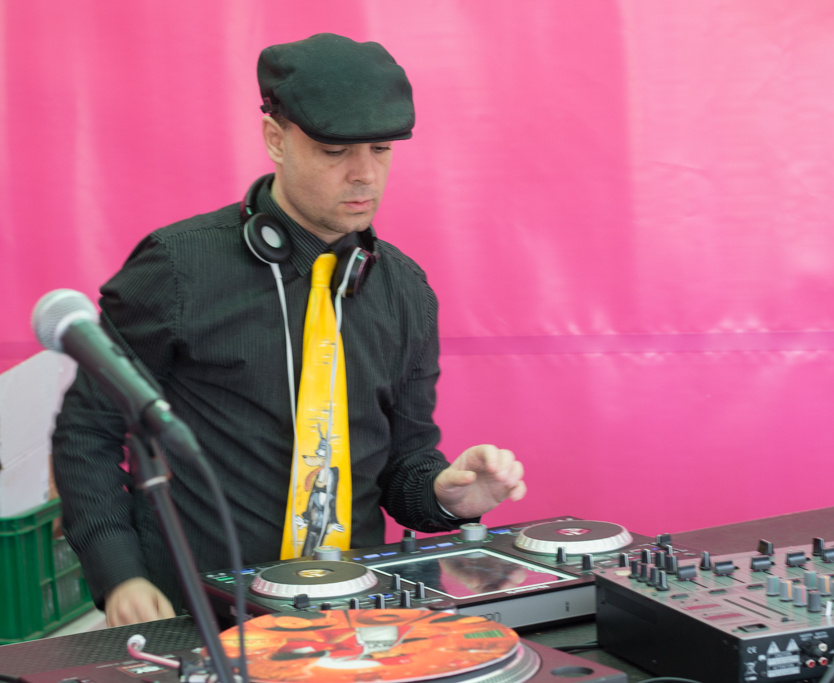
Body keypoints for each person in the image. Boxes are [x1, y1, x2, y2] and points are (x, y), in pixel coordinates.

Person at [51, 33, 526, 627]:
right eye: (334, 152)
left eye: (381, 149)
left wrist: (445, 496)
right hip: (199, 617)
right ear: (276, 139)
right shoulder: (175, 268)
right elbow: (87, 432)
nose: (364, 175)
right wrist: (121, 573)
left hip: (350, 622)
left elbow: (403, 463)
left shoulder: (406, 292)